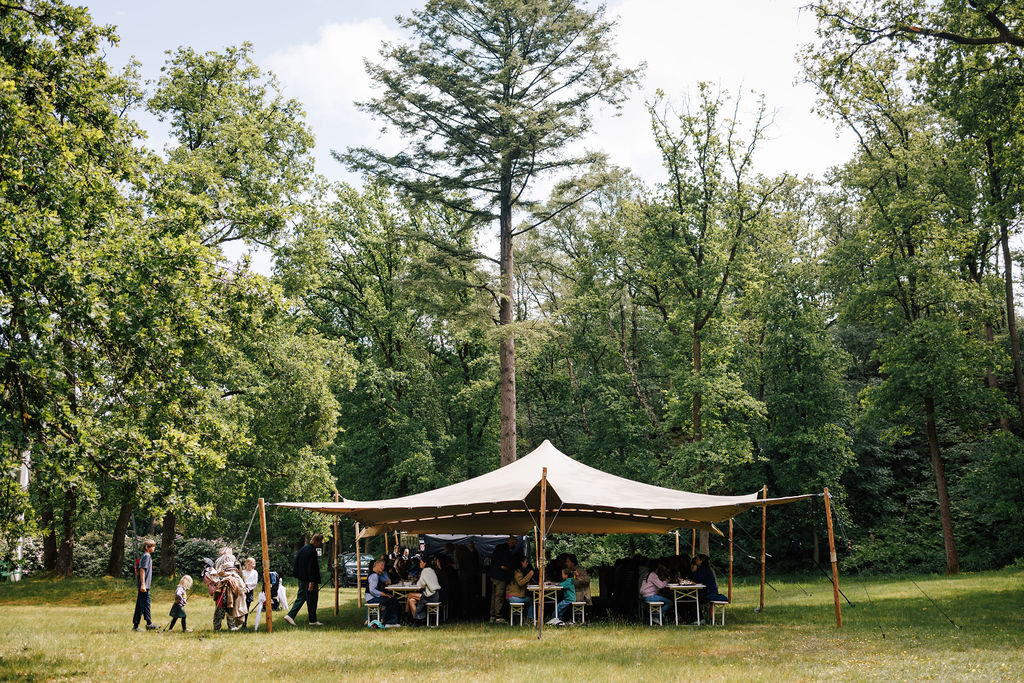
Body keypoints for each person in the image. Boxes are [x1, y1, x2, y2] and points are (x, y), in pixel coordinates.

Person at [285, 533, 323, 626]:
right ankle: (312, 620)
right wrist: (311, 581)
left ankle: (291, 615)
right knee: (312, 600)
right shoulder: (312, 551)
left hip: (301, 578)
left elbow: (297, 564)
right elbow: (311, 568)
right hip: (309, 579)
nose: (320, 544)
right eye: (320, 541)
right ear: (317, 541)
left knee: (302, 597)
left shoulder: (303, 549)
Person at [488, 535, 517, 623]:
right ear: (511, 542)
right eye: (515, 543)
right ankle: (498, 616)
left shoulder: (498, 547)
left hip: (493, 575)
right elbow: (503, 566)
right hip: (500, 577)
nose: (515, 545)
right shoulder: (506, 551)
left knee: (493, 596)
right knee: (499, 596)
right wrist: (511, 570)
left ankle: (492, 616)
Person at [690, 553, 728, 621]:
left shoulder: (704, 570)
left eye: (697, 559)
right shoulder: (704, 569)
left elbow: (698, 581)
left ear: (701, 561)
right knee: (693, 598)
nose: (696, 561)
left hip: (710, 593)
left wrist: (694, 572)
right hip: (707, 591)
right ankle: (697, 618)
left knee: (693, 599)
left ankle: (700, 619)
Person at [406, 555, 442, 623]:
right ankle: (416, 619)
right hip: (435, 595)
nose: (420, 563)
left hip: (430, 596)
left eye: (421, 562)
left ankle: (406, 616)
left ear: (425, 563)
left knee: (409, 595)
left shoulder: (425, 571)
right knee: (411, 601)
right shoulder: (431, 570)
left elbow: (420, 585)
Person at [366, 558, 400, 627]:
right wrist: (384, 594)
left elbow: (387, 581)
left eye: (384, 565)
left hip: (372, 597)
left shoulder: (377, 574)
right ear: (376, 565)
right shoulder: (374, 576)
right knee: (392, 600)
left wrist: (383, 573)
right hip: (371, 598)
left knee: (391, 599)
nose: (383, 567)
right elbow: (372, 590)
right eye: (381, 565)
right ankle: (390, 622)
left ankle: (386, 619)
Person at [132, 539, 157, 631]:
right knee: (141, 605)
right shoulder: (146, 556)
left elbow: (139, 569)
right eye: (153, 546)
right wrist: (143, 584)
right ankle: (136, 626)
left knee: (146, 604)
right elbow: (142, 570)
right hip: (144, 586)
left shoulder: (146, 556)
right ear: (147, 547)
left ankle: (149, 623)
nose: (154, 548)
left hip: (146, 586)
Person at [506, 555, 535, 621]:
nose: (527, 563)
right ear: (522, 562)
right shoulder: (518, 572)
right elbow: (520, 583)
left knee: (530, 600)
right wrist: (529, 574)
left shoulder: (515, 571)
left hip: (510, 596)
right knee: (532, 600)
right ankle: (530, 619)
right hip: (513, 597)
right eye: (526, 562)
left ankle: (529, 618)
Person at [241, 557, 259, 628]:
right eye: (252, 564)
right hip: (242, 590)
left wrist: (247, 586)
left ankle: (244, 623)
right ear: (247, 564)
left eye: (254, 564)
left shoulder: (254, 572)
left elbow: (254, 583)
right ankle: (238, 621)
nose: (254, 565)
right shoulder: (242, 572)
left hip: (249, 591)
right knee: (240, 607)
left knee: (246, 607)